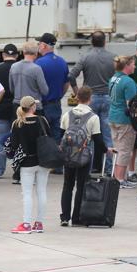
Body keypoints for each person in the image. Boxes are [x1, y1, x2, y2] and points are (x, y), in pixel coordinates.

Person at [59, 86, 107, 225]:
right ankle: (76, 217)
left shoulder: (67, 115)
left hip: (68, 155)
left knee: (67, 185)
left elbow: (62, 134)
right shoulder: (93, 117)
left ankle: (64, 217)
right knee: (81, 186)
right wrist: (106, 150)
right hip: (84, 155)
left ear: (77, 98)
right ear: (90, 99)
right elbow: (98, 139)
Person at [6, 95, 52, 234]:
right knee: (42, 191)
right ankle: (39, 223)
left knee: (27, 193)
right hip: (43, 160)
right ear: (32, 107)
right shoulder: (42, 120)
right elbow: (49, 137)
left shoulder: (18, 123)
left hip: (27, 162)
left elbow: (13, 145)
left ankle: (26, 223)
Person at [70, 31, 115, 170]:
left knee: (88, 134)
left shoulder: (85, 57)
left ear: (92, 42)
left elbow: (71, 75)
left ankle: (87, 168)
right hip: (108, 97)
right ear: (105, 41)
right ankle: (108, 168)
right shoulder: (113, 58)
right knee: (107, 134)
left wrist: (77, 93)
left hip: (90, 98)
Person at [108, 56, 137, 187]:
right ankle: (120, 179)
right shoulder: (128, 81)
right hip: (124, 119)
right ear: (127, 66)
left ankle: (117, 177)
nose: (135, 66)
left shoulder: (114, 78)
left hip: (113, 116)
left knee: (117, 148)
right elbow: (131, 104)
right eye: (133, 64)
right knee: (125, 150)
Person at [0, 44, 18, 179]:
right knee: (19, 139)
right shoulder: (19, 68)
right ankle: (18, 170)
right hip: (17, 109)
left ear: (2, 55)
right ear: (17, 55)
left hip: (0, 108)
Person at [36, 34, 70, 142]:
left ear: (44, 46)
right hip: (56, 104)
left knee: (42, 138)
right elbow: (66, 84)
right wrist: (59, 96)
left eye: (39, 44)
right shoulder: (62, 62)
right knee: (56, 137)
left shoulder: (39, 63)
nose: (38, 46)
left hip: (43, 106)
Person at [10, 41, 48, 111]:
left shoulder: (13, 66)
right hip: (33, 107)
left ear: (23, 52)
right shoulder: (36, 69)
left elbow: (12, 89)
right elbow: (45, 91)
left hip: (17, 106)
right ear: (36, 53)